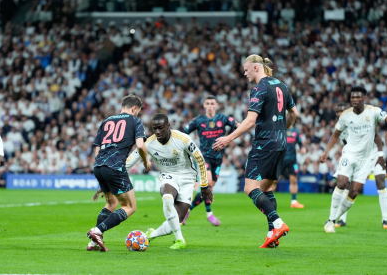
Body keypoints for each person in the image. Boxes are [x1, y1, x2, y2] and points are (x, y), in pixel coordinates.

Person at [212, 54, 299, 248]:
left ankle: (277, 224)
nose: (244, 73)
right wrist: (284, 129)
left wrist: (228, 138)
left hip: (265, 143)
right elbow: (294, 113)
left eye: (246, 69)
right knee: (266, 189)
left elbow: (250, 121)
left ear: (256, 68)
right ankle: (272, 235)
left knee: (250, 188)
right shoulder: (282, 86)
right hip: (281, 142)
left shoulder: (259, 88)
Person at [125, 113, 213, 249]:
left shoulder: (182, 139)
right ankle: (180, 240)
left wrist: (204, 185)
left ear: (168, 126)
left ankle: (149, 235)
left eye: (160, 128)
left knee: (177, 220)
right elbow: (129, 162)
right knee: (167, 198)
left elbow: (199, 159)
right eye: (154, 128)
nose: (157, 131)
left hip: (188, 178)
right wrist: (111, 178)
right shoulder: (148, 143)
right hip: (168, 175)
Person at [321, 86, 387, 233]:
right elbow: (336, 134)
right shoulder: (345, 115)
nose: (355, 100)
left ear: (364, 99)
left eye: (358, 97)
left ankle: (335, 218)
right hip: (349, 154)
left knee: (354, 191)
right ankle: (331, 220)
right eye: (352, 97)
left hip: (367, 159)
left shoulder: (373, 111)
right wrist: (326, 152)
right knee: (342, 183)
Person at [87, 94, 151, 252]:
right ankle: (97, 231)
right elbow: (141, 146)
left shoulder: (106, 120)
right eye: (138, 111)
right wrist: (146, 161)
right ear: (134, 108)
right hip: (115, 167)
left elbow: (97, 146)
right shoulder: (135, 121)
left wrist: (102, 168)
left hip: (99, 166)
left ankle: (93, 243)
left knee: (111, 204)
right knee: (129, 206)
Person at [333, 103, 387, 229]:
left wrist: (381, 156)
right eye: (337, 112)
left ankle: (385, 220)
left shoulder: (359, 119)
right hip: (357, 158)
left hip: (374, 155)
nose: (339, 114)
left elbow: (377, 136)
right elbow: (346, 143)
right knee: (348, 186)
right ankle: (342, 219)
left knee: (381, 183)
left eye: (341, 111)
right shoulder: (341, 126)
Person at [182, 95, 238, 226]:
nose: (210, 106)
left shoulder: (223, 118)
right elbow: (184, 133)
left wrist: (230, 139)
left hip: (218, 159)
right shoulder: (197, 120)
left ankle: (187, 211)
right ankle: (209, 214)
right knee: (206, 185)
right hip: (204, 157)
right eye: (207, 103)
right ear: (204, 106)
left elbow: (238, 126)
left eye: (213, 103)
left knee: (209, 189)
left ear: (217, 105)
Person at [272, 127, 304, 208]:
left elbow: (300, 144)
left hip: (292, 160)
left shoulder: (296, 131)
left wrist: (302, 148)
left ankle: (294, 202)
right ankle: (269, 201)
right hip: (280, 159)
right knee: (274, 180)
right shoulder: (279, 129)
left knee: (293, 180)